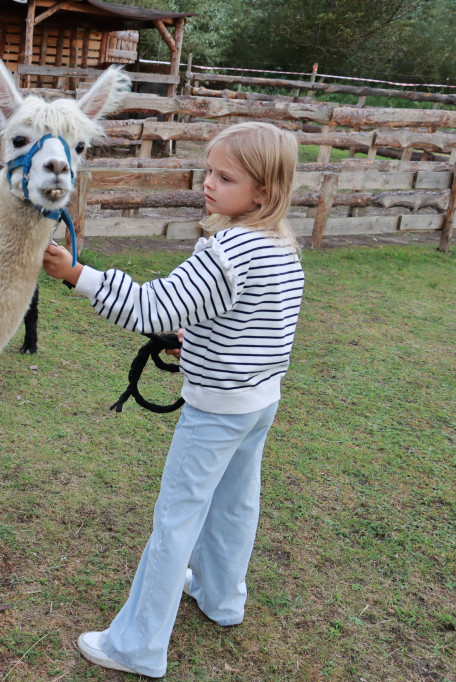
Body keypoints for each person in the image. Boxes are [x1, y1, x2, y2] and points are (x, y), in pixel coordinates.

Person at [42, 122, 304, 678]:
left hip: (216, 410)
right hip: (259, 403)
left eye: (225, 177)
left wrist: (76, 275)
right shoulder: (281, 243)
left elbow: (151, 308)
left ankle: (136, 646)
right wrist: (201, 335)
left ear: (263, 190)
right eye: (209, 170)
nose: (208, 183)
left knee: (176, 520)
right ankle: (221, 597)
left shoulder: (227, 250)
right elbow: (256, 321)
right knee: (236, 503)